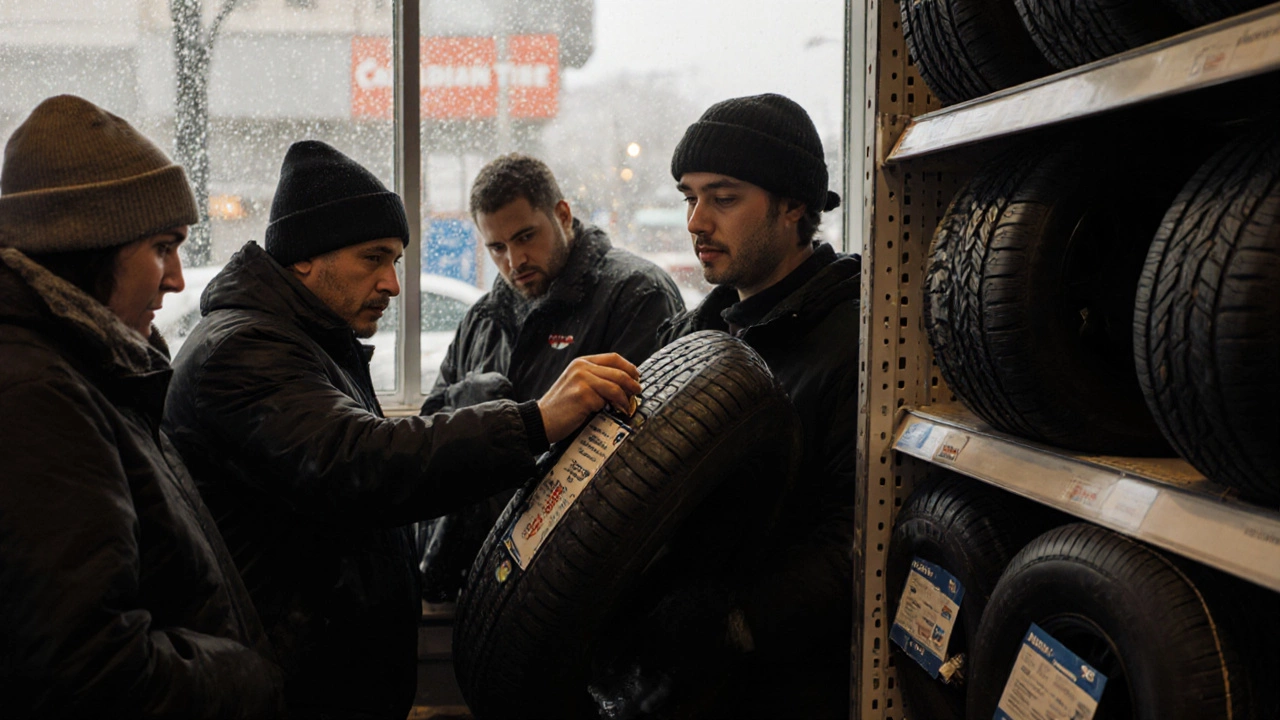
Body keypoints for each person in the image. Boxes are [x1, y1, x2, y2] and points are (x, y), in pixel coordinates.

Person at [162, 140, 641, 719]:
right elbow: (357, 460)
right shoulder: (243, 350)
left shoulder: (312, 343)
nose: (392, 284)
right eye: (373, 258)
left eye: (395, 261)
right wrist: (535, 420)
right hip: (286, 684)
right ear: (307, 255)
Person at [0, 95, 282, 717]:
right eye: (162, 246)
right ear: (90, 245)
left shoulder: (93, 368)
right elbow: (91, 670)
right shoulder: (37, 398)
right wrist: (250, 678)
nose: (178, 278)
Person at [655, 92, 860, 718]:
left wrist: (733, 624)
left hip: (783, 687)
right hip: (688, 684)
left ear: (794, 205)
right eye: (690, 197)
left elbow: (858, 536)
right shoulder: (691, 338)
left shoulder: (855, 339)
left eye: (723, 198)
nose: (696, 222)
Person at [417, 153, 684, 601]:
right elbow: (430, 433)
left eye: (526, 237)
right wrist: (478, 404)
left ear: (562, 214)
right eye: (496, 247)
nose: (514, 260)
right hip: (487, 585)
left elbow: (640, 462)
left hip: (588, 591)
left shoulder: (637, 296)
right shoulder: (482, 318)